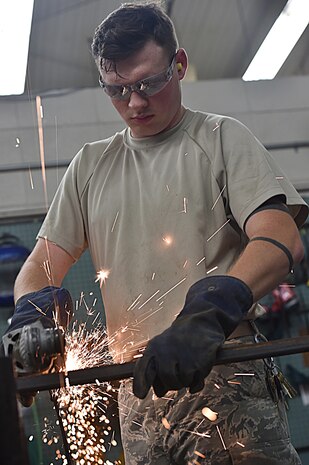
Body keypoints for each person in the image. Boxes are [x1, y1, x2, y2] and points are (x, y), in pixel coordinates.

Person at [4, 2, 309, 464]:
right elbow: (41, 266)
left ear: (179, 65)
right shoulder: (90, 165)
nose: (136, 102)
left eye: (149, 82)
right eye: (118, 89)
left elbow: (281, 236)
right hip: (139, 391)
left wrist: (211, 310)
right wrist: (31, 311)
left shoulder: (221, 137)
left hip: (225, 375)